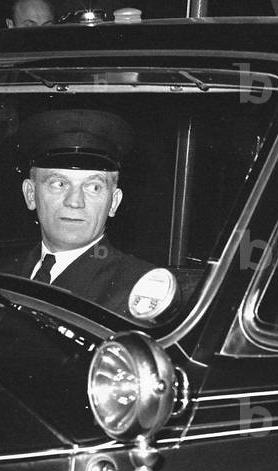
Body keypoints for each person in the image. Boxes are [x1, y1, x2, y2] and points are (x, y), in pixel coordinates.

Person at [12, 108, 177, 321]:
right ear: (31, 194)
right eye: (59, 184)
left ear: (113, 203)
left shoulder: (137, 291)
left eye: (94, 187)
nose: (74, 201)